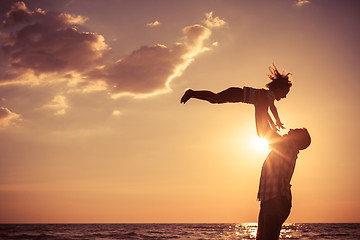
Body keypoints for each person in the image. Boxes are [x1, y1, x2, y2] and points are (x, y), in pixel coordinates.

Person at [254, 94, 311, 240]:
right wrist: (261, 109)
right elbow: (265, 132)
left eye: (295, 130)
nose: (291, 129)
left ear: (297, 139)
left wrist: (259, 106)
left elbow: (264, 132)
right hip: (269, 201)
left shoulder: (288, 146)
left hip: (276, 201)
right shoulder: (286, 147)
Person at [180, 64, 292, 131]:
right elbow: (272, 108)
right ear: (279, 89)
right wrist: (278, 121)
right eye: (284, 93)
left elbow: (265, 112)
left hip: (236, 93)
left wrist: (272, 124)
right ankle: (191, 92)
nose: (285, 96)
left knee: (215, 99)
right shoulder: (269, 95)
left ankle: (192, 93)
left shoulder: (267, 97)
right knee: (215, 98)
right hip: (237, 94)